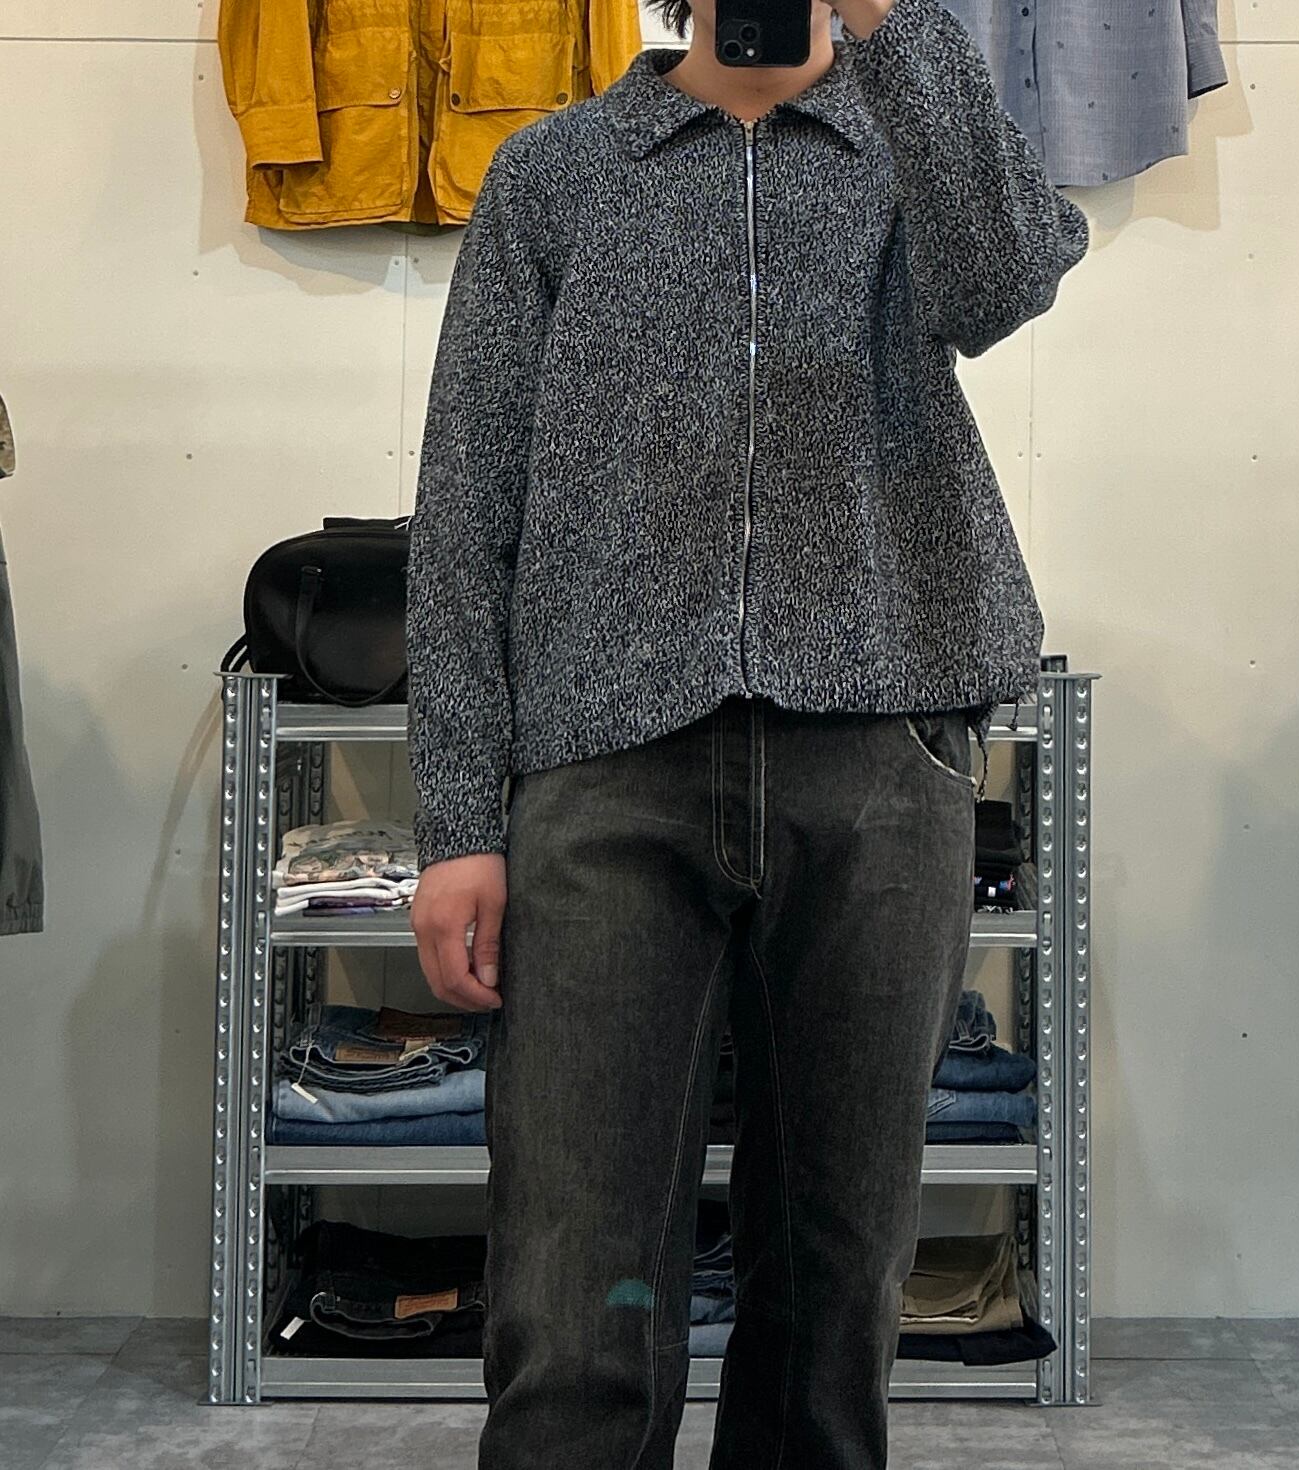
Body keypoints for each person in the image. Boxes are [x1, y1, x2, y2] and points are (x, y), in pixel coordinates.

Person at [405, 0, 1088, 1464]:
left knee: (835, 1286)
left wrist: (892, 22)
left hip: (878, 743)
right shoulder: (558, 172)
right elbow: (465, 499)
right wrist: (457, 819)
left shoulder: (915, 146)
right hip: (604, 758)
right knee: (572, 1289)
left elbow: (1006, 276)